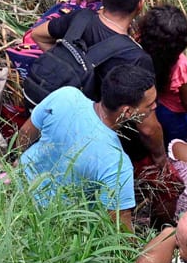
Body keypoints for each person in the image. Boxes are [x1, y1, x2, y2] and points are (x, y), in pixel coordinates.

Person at [16, 61, 158, 228]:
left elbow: (25, 134)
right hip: (50, 222)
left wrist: (16, 162)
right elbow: (120, 231)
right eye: (150, 105)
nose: (155, 107)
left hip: (16, 184)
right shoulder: (116, 163)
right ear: (127, 111)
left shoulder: (66, 95)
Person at [35, 0, 151, 98]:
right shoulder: (137, 58)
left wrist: (64, 66)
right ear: (141, 5)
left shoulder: (79, 18)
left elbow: (37, 34)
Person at [137, 3, 187, 149]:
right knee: (173, 146)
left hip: (151, 106)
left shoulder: (141, 52)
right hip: (173, 115)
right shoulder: (180, 65)